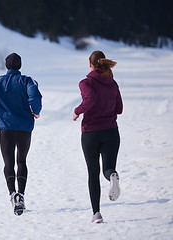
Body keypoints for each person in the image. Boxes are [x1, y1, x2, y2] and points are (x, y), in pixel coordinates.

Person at [0, 53, 42, 216]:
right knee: (21, 161)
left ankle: (12, 194)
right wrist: (35, 111)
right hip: (24, 127)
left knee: (8, 162)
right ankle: (21, 195)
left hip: (6, 128)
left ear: (6, 65)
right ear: (20, 66)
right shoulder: (28, 81)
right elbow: (34, 96)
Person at [73, 50, 123, 223]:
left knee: (93, 173)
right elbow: (119, 109)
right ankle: (112, 176)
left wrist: (77, 111)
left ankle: (97, 214)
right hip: (111, 131)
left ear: (90, 64)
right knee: (108, 169)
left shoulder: (86, 82)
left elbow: (90, 100)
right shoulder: (113, 83)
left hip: (91, 133)